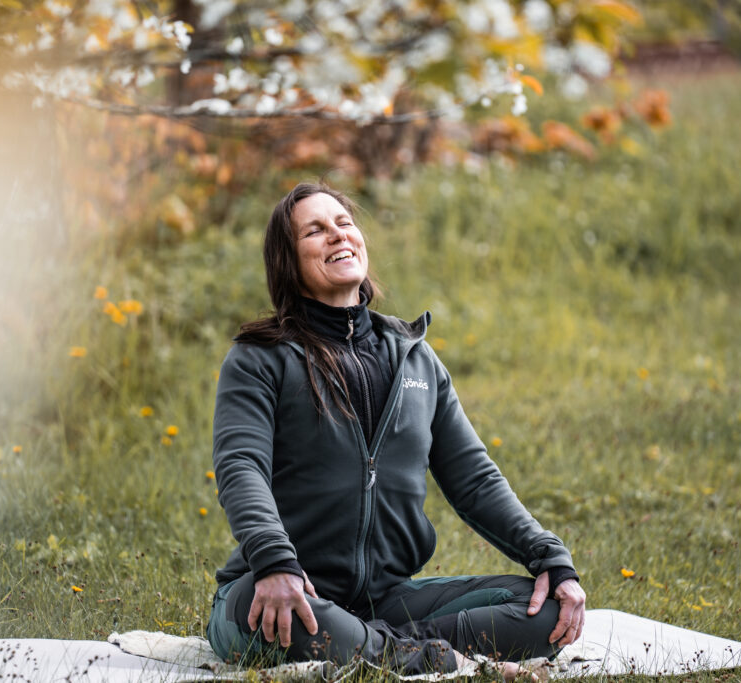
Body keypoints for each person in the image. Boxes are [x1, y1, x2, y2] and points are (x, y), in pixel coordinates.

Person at [206, 182, 585, 680]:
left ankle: (385, 651)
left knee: (545, 609)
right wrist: (275, 563)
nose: (338, 235)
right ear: (287, 262)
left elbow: (474, 480)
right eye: (315, 231)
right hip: (284, 590)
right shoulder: (260, 359)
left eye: (344, 223)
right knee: (288, 620)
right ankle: (431, 658)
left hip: (386, 599)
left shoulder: (415, 359)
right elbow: (241, 466)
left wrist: (551, 558)